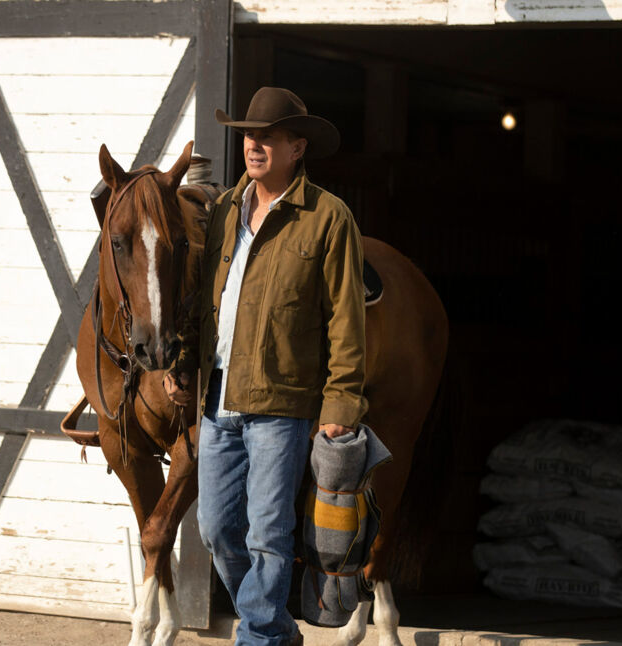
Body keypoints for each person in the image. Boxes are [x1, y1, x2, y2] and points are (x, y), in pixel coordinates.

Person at [164, 86, 368, 646]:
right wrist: (185, 362)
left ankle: (257, 639)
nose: (254, 146)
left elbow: (346, 320)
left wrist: (341, 403)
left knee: (268, 536)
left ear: (298, 148)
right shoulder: (225, 210)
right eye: (249, 136)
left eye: (269, 137)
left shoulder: (328, 217)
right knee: (214, 529)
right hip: (219, 398)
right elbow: (202, 301)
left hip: (282, 402)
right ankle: (274, 630)